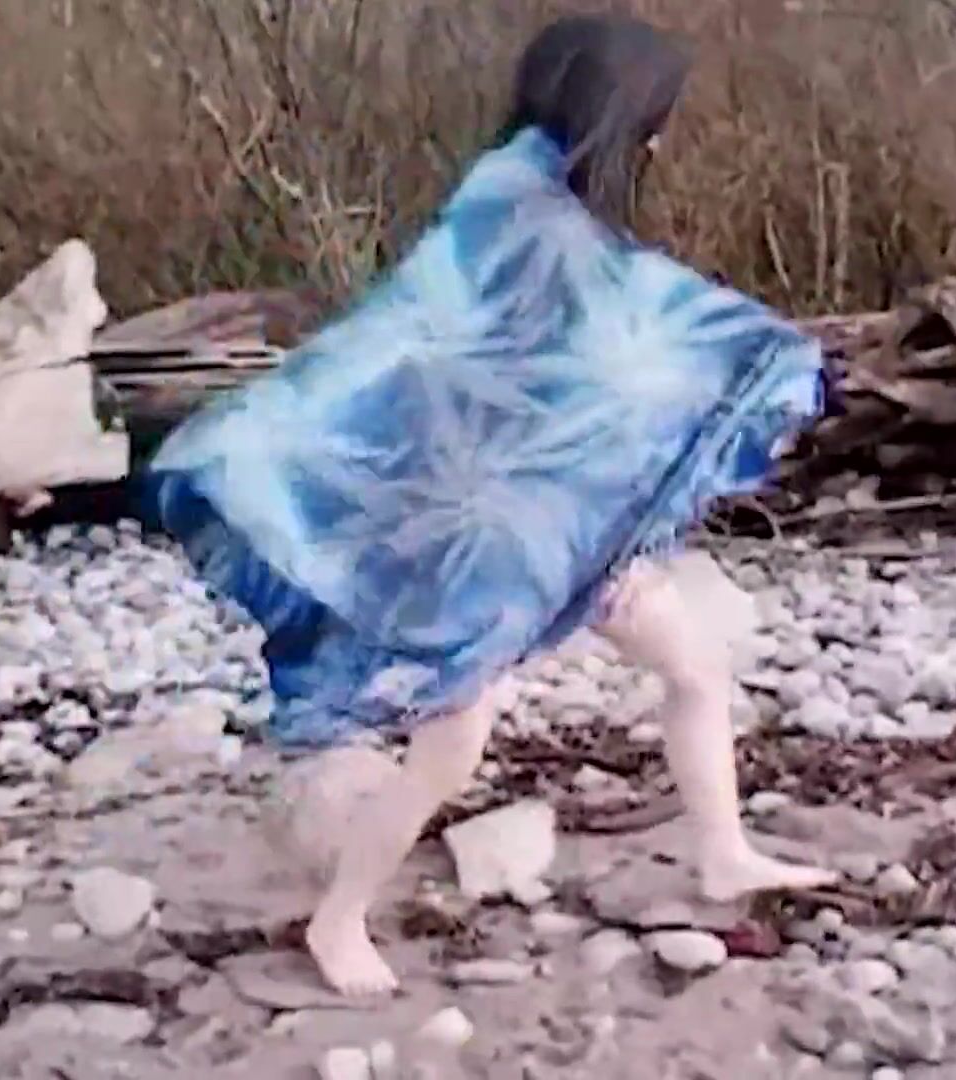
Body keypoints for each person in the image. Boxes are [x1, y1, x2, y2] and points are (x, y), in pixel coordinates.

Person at [140, 13, 837, 996]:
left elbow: (569, 357)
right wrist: (759, 351)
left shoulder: (537, 201)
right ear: (617, 115)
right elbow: (548, 345)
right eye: (654, 123)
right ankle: (337, 921)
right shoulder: (524, 208)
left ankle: (723, 853)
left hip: (557, 527)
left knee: (694, 667)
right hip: (478, 538)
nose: (658, 143)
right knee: (452, 748)